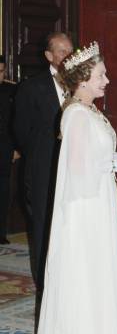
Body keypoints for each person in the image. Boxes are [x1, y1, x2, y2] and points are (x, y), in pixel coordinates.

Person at [33, 42, 117, 334]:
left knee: (99, 267)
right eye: (101, 75)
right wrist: (109, 165)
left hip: (98, 201)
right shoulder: (76, 114)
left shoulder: (90, 110)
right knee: (85, 267)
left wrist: (109, 162)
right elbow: (77, 171)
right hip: (85, 206)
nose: (107, 80)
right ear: (84, 79)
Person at [14, 33, 73, 291]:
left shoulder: (81, 83)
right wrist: (43, 153)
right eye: (61, 51)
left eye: (71, 50)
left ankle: (67, 277)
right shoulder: (32, 86)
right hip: (43, 169)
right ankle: (45, 284)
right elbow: (21, 131)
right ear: (49, 56)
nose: (67, 56)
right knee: (42, 226)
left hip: (75, 168)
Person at [0, 55, 19, 244]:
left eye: (2, 71)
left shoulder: (11, 90)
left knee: (3, 192)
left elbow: (17, 122)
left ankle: (1, 233)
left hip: (4, 149)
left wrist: (17, 148)